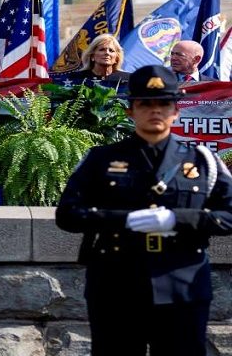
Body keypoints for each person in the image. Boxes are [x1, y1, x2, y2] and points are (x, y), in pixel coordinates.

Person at [55, 64, 232, 356]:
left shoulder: (203, 161)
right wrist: (125, 220)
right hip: (116, 283)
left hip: (182, 283)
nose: (155, 111)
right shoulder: (100, 160)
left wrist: (179, 219)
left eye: (164, 104)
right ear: (130, 110)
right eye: (145, 104)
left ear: (176, 111)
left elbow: (228, 216)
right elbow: (69, 215)